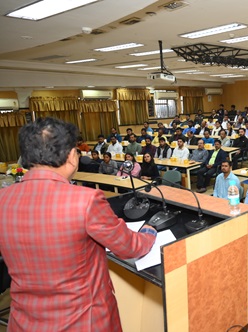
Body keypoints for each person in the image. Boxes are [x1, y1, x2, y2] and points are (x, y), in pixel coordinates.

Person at [0, 117, 156, 331]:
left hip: (24, 321)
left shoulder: (3, 198)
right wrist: (148, 233)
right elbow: (129, 247)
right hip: (82, 320)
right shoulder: (86, 200)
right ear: (72, 156)